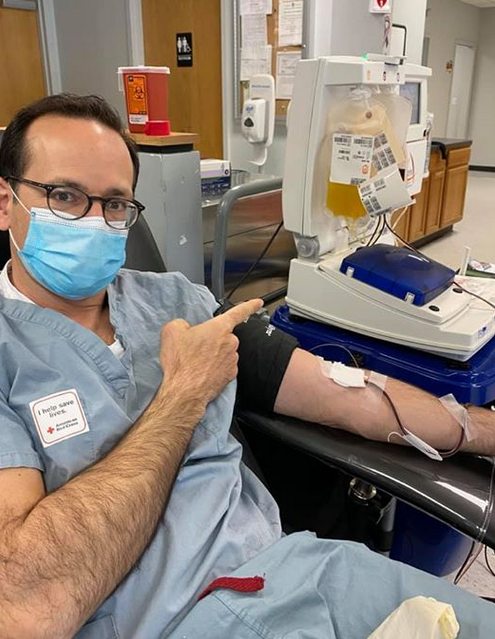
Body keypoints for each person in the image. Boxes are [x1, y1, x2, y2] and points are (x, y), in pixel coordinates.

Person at [0, 94, 493, 639]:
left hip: (298, 574)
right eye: (65, 196)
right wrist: (184, 393)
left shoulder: (175, 300)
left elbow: (340, 390)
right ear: (5, 202)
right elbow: (26, 606)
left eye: (115, 204)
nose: (95, 222)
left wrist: (476, 428)